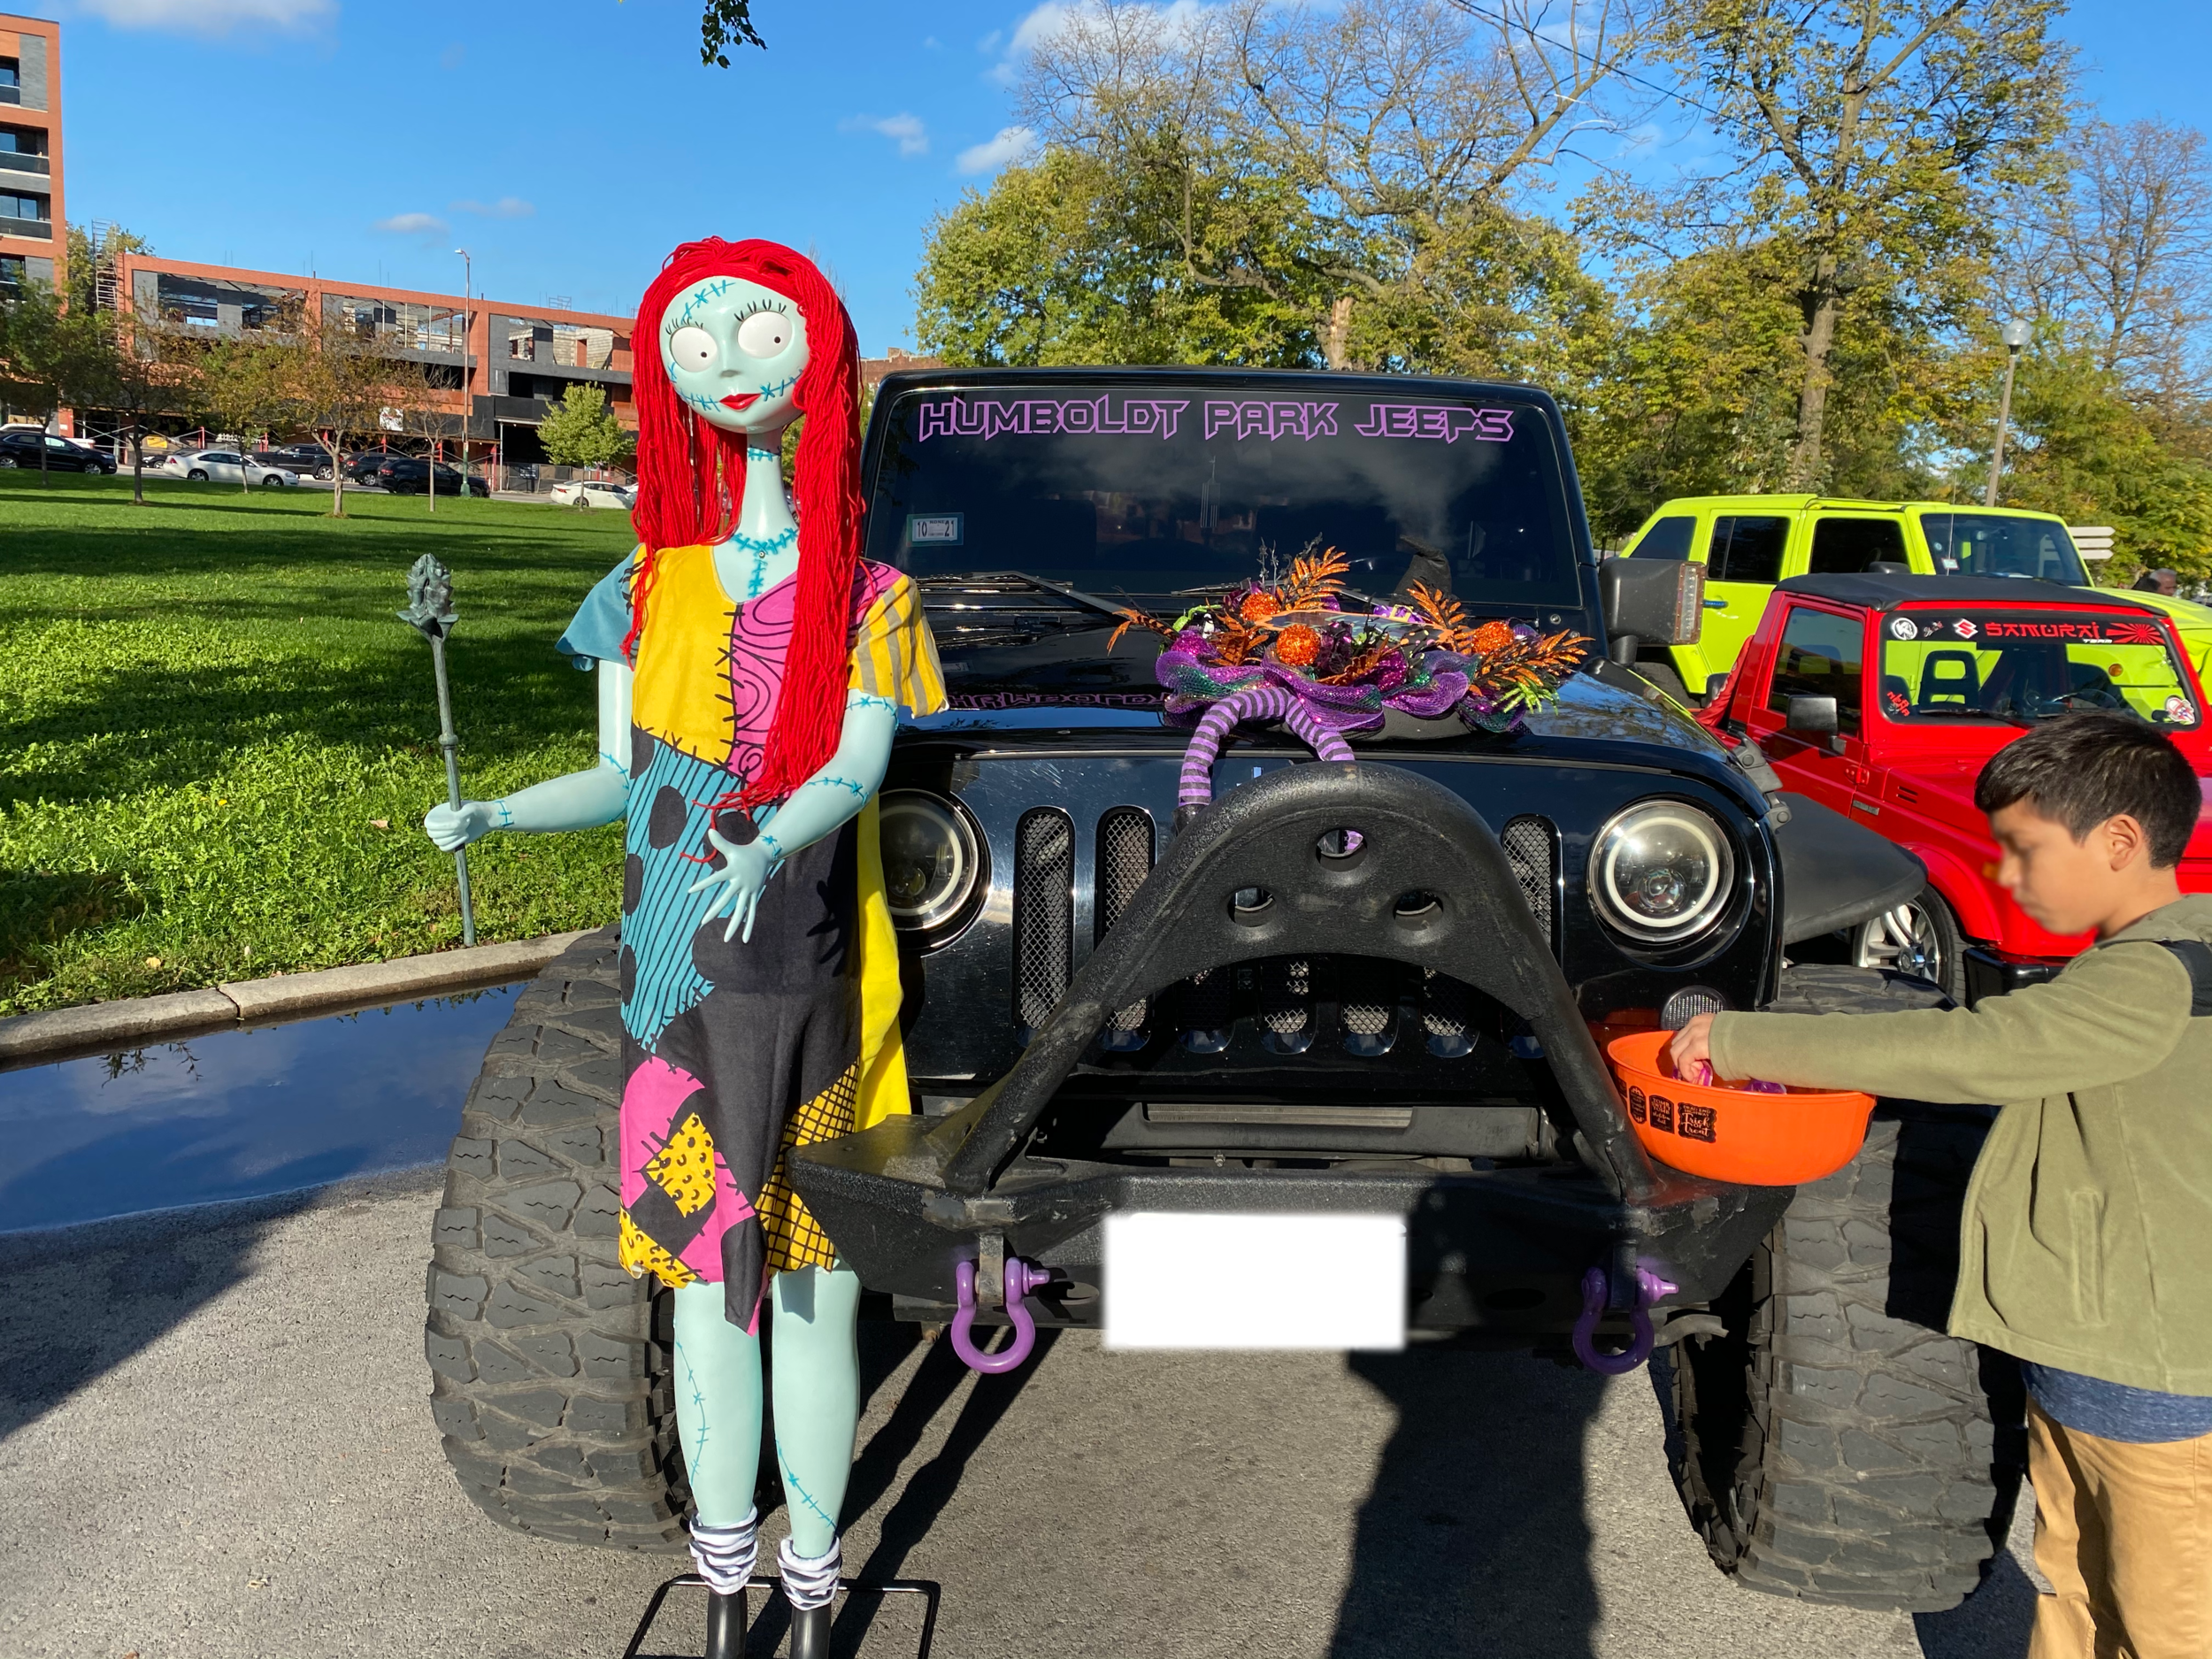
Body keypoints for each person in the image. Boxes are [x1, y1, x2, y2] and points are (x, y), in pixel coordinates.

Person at [426, 238, 946, 1659]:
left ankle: (818, 1575)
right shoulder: (643, 591)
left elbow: (856, 762)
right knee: (706, 1280)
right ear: (666, 369)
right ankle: (728, 1590)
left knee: (819, 1289)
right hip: (677, 991)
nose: (729, 362)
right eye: (697, 338)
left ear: (814, 363)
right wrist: (502, 808)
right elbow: (618, 774)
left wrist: (779, 837)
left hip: (828, 982)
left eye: (760, 333)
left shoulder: (873, 596)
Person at [1671, 711, 2211, 1658]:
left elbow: (1977, 1049)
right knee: (2079, 1589)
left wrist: (1741, 1040)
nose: (2004, 874)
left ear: (2120, 841)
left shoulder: (2156, 979)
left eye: (2022, 850)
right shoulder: (2161, 958)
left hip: (2147, 1380)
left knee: (2167, 1621)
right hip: (2095, 1356)